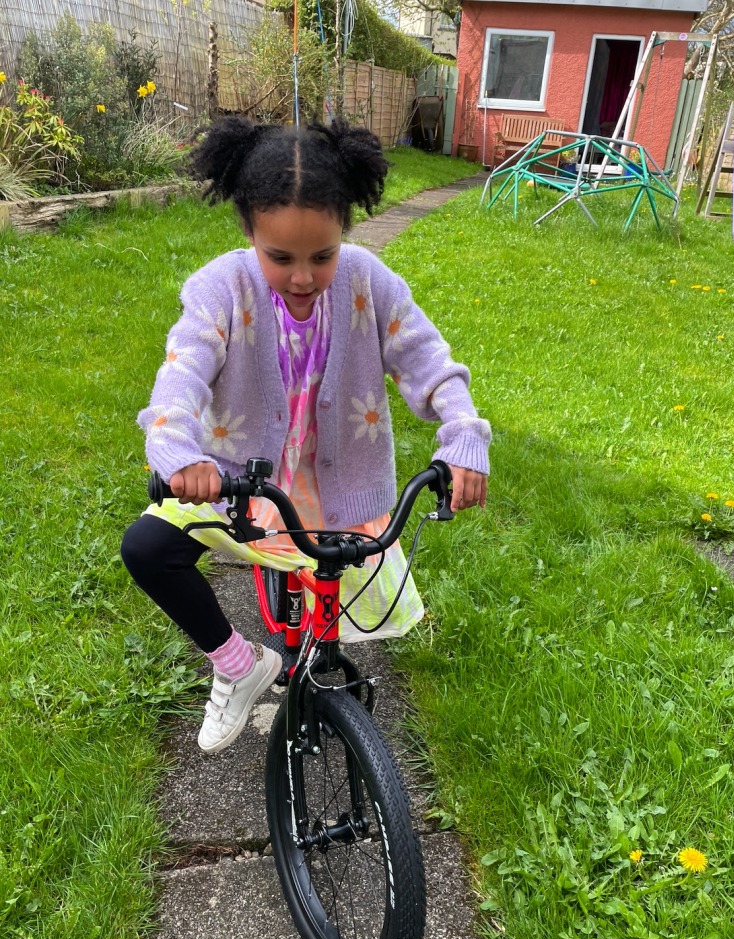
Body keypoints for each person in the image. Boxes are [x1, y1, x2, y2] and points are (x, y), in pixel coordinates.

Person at [121, 116, 491, 755]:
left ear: (345, 229)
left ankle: (321, 686)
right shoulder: (221, 290)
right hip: (243, 483)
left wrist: (462, 432)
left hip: (337, 488)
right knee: (148, 548)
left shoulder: (369, 283)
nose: (301, 277)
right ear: (247, 232)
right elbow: (181, 376)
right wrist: (179, 450)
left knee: (330, 613)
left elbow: (430, 362)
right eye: (279, 257)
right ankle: (237, 665)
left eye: (322, 256)